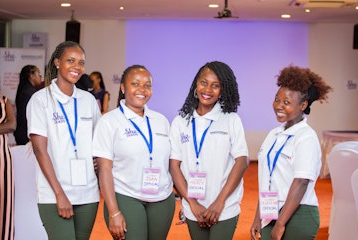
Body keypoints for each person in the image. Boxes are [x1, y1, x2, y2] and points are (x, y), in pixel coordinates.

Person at [26, 41, 101, 240]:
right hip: (54, 193)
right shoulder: (40, 100)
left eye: (81, 62)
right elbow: (40, 151)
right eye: (71, 60)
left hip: (88, 193)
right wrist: (59, 194)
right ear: (57, 62)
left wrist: (97, 162)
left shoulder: (88, 101)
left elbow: (98, 142)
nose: (77, 67)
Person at [250, 65, 333, 240]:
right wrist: (259, 215)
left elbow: (302, 181)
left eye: (286, 102)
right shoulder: (274, 134)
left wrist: (280, 223)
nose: (279, 106)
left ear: (303, 105)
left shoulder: (306, 137)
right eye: (277, 99)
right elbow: (268, 178)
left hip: (298, 214)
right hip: (270, 211)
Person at [92, 64, 175, 240]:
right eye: (135, 84)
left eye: (147, 85)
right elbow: (104, 169)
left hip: (162, 198)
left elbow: (171, 163)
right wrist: (113, 212)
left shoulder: (161, 121)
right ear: (123, 87)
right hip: (126, 196)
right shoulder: (109, 122)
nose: (142, 90)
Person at [169, 61, 249, 240]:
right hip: (193, 206)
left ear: (222, 90)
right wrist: (192, 203)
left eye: (215, 86)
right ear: (195, 85)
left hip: (224, 206)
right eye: (204, 83)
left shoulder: (231, 119)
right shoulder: (181, 122)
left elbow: (242, 161)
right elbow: (174, 166)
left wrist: (220, 202)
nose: (208, 90)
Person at [0, 92, 17, 240]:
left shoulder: (4, 101)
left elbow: (12, 125)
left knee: (4, 207)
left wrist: (5, 127)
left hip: (2, 161)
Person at [14, 65, 42, 145]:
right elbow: (27, 117)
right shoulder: (30, 93)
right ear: (31, 76)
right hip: (27, 135)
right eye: (38, 74)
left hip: (22, 133)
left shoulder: (24, 90)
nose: (40, 77)